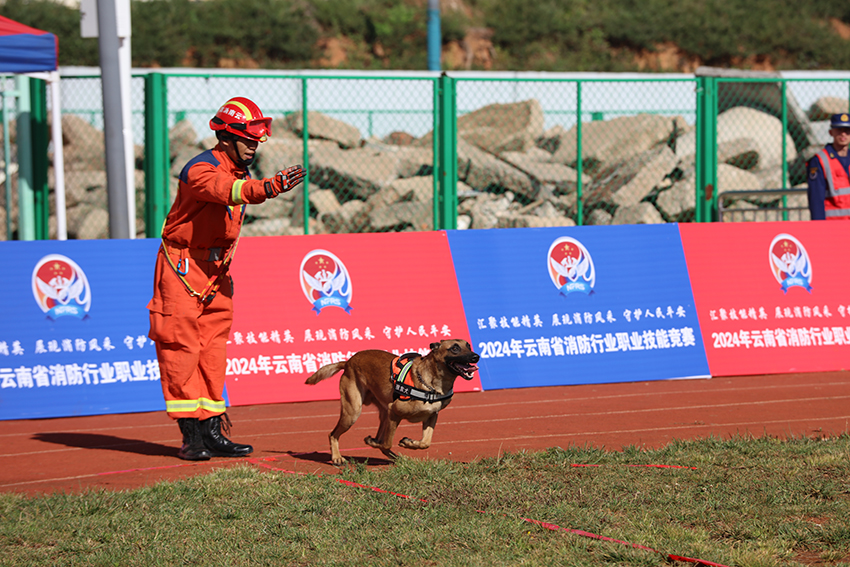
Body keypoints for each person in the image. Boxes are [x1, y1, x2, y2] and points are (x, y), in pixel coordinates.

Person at [147, 97, 306, 460]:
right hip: (183, 269)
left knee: (213, 352)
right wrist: (268, 188)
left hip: (216, 273)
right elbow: (227, 192)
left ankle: (214, 430)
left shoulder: (240, 170)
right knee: (180, 350)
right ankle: (192, 438)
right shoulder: (201, 169)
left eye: (257, 140)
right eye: (248, 140)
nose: (254, 146)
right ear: (227, 136)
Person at [807, 113, 850, 220]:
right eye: (839, 129)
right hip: (833, 228)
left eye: (847, 130)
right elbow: (816, 200)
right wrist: (820, 230)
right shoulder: (819, 161)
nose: (843, 134)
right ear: (831, 132)